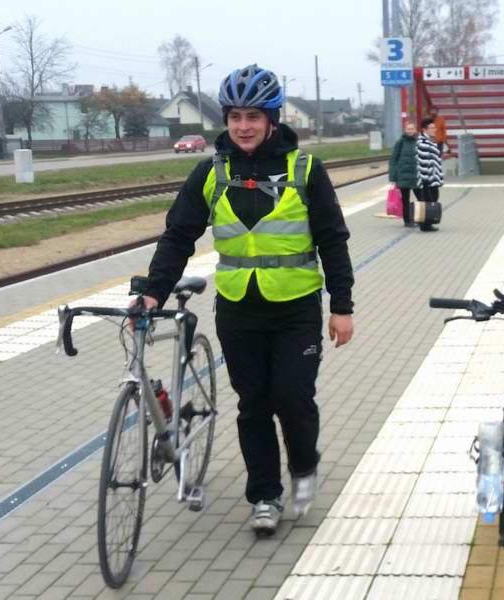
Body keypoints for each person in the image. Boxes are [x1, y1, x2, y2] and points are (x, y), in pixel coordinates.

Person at [138, 64, 355, 537]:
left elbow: (333, 240)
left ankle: (303, 464)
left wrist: (342, 306)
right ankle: (264, 496)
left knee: (293, 400)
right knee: (253, 405)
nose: (243, 126)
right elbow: (178, 237)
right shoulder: (211, 172)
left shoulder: (306, 170)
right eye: (235, 116)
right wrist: (154, 292)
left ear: (272, 119)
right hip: (239, 311)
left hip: (296, 308)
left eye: (253, 116)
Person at [388, 121, 419, 227]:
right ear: (405, 130)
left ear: (415, 130)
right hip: (403, 177)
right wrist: (393, 177)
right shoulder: (400, 142)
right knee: (405, 200)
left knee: (421, 198)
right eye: (408, 129)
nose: (410, 131)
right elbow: (393, 159)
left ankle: (419, 218)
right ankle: (407, 221)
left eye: (412, 129)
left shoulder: (419, 142)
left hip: (416, 176)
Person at [416, 117, 443, 232]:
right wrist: (425, 181)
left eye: (434, 127)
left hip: (432, 178)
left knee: (432, 200)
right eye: (431, 128)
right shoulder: (423, 143)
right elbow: (423, 162)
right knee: (427, 201)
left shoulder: (430, 141)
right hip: (427, 180)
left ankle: (427, 223)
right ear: (424, 129)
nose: (434, 129)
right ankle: (425, 225)